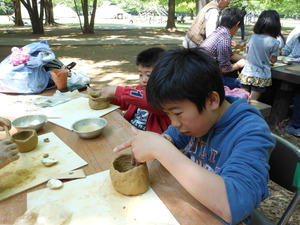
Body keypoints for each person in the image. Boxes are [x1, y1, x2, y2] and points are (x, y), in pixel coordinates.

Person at [113, 48, 275, 224]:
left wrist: (161, 149)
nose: (173, 123)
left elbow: (234, 205)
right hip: (186, 207)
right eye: (167, 114)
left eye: (177, 113)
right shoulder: (196, 122)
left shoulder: (251, 132)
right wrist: (164, 141)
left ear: (212, 100)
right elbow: (172, 137)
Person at [99, 47, 171, 134]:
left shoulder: (166, 95)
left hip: (150, 138)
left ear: (163, 74)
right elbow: (127, 103)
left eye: (148, 75)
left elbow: (150, 102)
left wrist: (118, 90)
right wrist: (112, 99)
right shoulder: (140, 88)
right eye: (140, 74)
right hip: (128, 129)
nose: (144, 79)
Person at [238, 10, 281, 101]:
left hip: (247, 73)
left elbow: (247, 52)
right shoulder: (274, 42)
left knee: (241, 99)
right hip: (261, 76)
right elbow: (273, 60)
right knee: (253, 101)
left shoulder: (252, 37)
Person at [200, 7, 246, 89]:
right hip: (207, 78)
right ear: (237, 24)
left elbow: (230, 55)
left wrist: (247, 58)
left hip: (204, 71)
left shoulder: (220, 31)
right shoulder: (225, 38)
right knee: (243, 83)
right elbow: (225, 68)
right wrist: (239, 64)